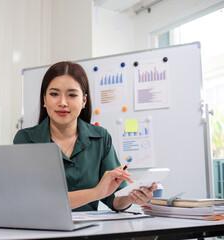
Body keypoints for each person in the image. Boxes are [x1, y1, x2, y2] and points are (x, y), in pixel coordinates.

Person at [13, 61, 157, 211]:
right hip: (43, 231)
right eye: (54, 94)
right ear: (44, 99)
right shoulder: (26, 140)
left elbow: (114, 200)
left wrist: (131, 196)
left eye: (72, 95)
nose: (62, 102)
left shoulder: (101, 138)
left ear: (83, 101)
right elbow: (32, 199)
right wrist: (95, 193)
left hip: (89, 231)